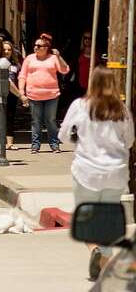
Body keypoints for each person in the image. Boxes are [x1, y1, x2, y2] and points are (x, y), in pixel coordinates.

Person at [59, 67, 135, 281]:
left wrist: (77, 139)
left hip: (87, 172)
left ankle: (98, 252)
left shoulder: (80, 106)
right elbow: (129, 141)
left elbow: (63, 135)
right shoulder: (122, 110)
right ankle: (104, 256)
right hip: (115, 173)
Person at [19, 32, 71, 153]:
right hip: (33, 94)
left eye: (39, 45)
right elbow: (22, 75)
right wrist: (21, 92)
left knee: (50, 120)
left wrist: (59, 56)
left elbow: (65, 70)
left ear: (46, 48)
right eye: (35, 45)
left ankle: (54, 144)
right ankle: (35, 145)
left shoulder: (53, 58)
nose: (35, 47)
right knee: (35, 121)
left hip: (52, 94)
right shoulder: (29, 58)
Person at [1, 40, 26, 149]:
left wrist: (20, 92)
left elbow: (19, 77)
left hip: (12, 93)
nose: (7, 51)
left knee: (10, 117)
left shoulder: (15, 64)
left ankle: (10, 143)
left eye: (9, 49)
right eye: (4, 49)